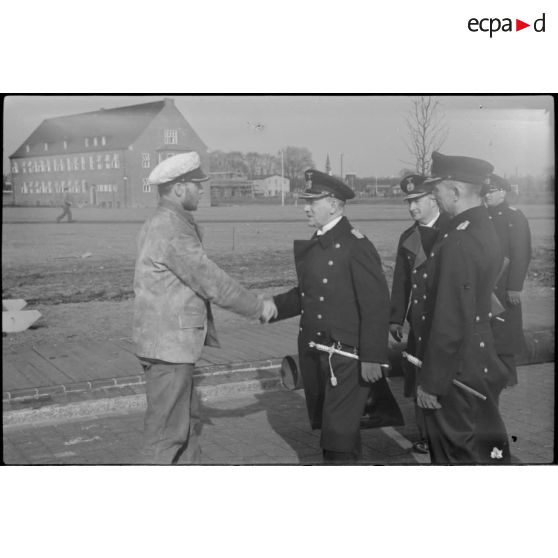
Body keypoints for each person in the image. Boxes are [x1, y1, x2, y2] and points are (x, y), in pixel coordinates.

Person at [133, 151, 276, 464]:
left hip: (169, 347)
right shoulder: (170, 227)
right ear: (179, 188)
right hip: (168, 349)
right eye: (197, 184)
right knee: (165, 437)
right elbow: (211, 281)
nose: (202, 190)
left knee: (186, 429)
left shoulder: (165, 222)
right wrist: (257, 307)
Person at [270, 169, 399, 464]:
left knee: (336, 436)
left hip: (348, 357)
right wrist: (269, 307)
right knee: (339, 431)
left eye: (312, 202)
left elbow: (376, 304)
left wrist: (372, 358)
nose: (305, 207)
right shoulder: (320, 239)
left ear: (333, 204)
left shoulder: (356, 244)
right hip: (320, 352)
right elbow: (308, 293)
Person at [415, 152, 511, 464]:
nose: (436, 196)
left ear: (455, 191)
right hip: (478, 357)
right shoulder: (483, 229)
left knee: (454, 455)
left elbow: (449, 319)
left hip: (456, 369)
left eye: (438, 189)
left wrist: (431, 383)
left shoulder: (458, 240)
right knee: (481, 449)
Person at [390, 174, 450, 455]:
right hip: (419, 324)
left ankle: (449, 433)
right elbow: (401, 281)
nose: (411, 208)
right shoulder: (408, 237)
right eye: (408, 202)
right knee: (418, 380)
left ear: (433, 199)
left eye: (417, 201)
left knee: (444, 377)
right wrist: (395, 318)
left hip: (447, 322)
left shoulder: (454, 230)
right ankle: (426, 436)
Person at [484, 174, 532, 387]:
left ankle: (508, 377)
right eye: (485, 191)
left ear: (503, 192)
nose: (488, 196)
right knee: (488, 330)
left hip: (504, 285)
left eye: (492, 191)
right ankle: (491, 374)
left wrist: (515, 287)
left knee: (505, 333)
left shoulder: (514, 217)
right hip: (485, 283)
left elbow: (521, 253)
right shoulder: (483, 216)